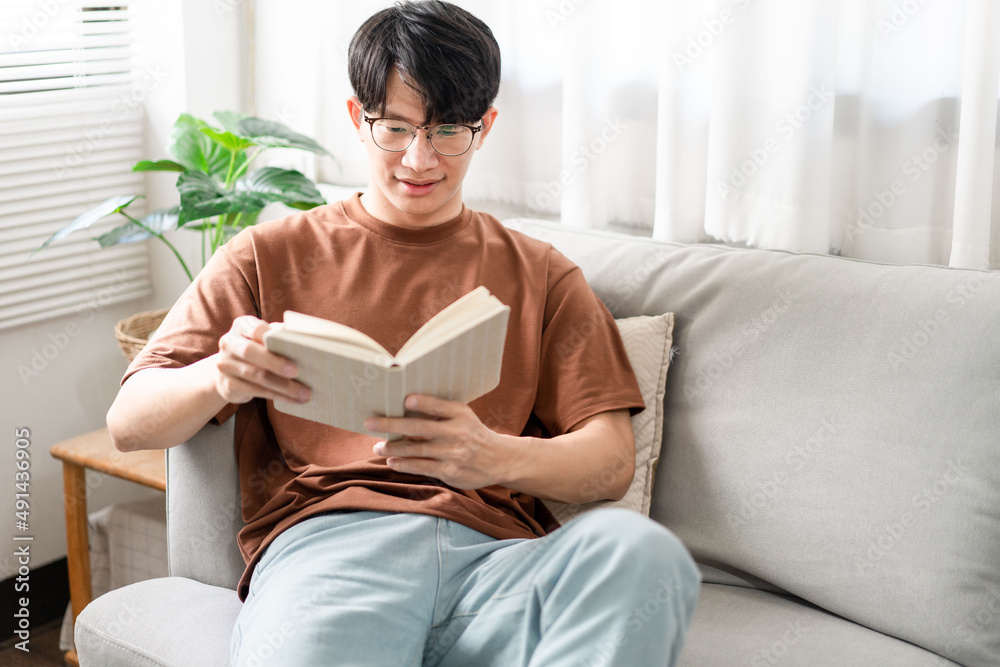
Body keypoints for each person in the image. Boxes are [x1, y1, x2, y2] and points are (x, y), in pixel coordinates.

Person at [105, 1, 700, 664]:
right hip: (332, 554)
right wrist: (218, 373)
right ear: (359, 118)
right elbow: (130, 421)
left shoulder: (543, 274)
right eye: (396, 128)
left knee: (642, 554)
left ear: (485, 127)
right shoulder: (264, 255)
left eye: (449, 130)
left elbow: (612, 457)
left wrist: (494, 456)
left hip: (497, 563)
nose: (420, 159)